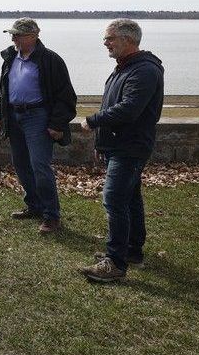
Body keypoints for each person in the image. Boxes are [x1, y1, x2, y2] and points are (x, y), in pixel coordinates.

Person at [79, 19, 164, 283]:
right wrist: (101, 144)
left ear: (127, 40)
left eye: (110, 38)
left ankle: (115, 264)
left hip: (131, 147)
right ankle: (131, 251)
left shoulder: (145, 71)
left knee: (114, 200)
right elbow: (114, 103)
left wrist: (93, 121)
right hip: (118, 145)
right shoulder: (124, 68)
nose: (106, 42)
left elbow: (129, 109)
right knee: (130, 198)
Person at [0, 18, 77, 234]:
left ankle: (51, 216)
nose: (13, 38)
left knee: (40, 165)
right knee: (21, 164)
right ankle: (34, 205)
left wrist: (57, 123)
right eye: (12, 35)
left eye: (17, 35)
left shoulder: (50, 60)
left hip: (37, 117)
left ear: (33, 35)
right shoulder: (11, 57)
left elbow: (66, 96)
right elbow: (4, 89)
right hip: (14, 116)